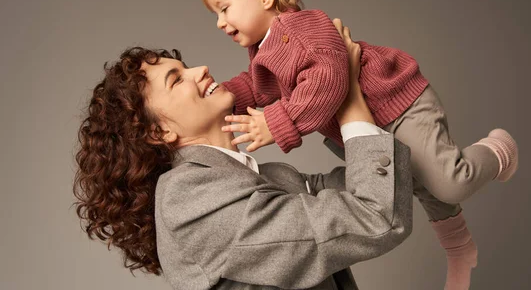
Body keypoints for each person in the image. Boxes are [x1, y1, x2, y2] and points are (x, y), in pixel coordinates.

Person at [199, 0, 519, 290]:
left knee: (449, 182)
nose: (219, 22)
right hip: (375, 124)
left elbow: (330, 78)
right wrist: (226, 95)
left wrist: (279, 122)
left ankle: (500, 151)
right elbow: (258, 85)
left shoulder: (301, 29)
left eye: (224, 8)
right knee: (420, 185)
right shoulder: (267, 47)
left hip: (399, 104)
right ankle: (459, 249)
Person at [73, 20, 414, 289]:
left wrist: (324, 85)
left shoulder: (272, 178)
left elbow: (385, 188)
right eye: (177, 80)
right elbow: (377, 216)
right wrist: (349, 94)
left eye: (185, 66)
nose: (201, 70)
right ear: (159, 132)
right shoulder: (187, 199)